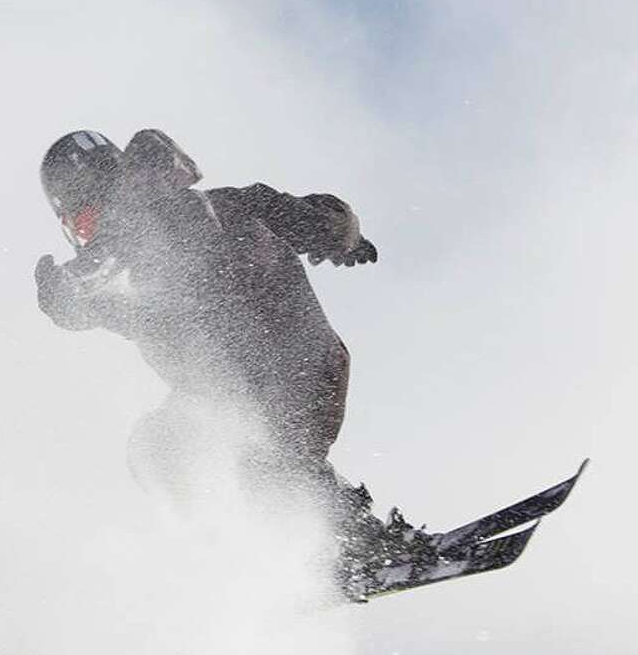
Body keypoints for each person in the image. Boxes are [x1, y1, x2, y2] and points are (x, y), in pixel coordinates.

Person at [33, 128, 384, 552]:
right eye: (84, 228)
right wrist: (341, 234)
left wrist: (336, 230)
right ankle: (251, 555)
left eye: (87, 220)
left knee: (255, 456)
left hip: (296, 370)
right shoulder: (152, 284)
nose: (95, 235)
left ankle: (358, 545)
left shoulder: (206, 214)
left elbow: (309, 219)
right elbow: (102, 308)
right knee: (170, 447)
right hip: (262, 388)